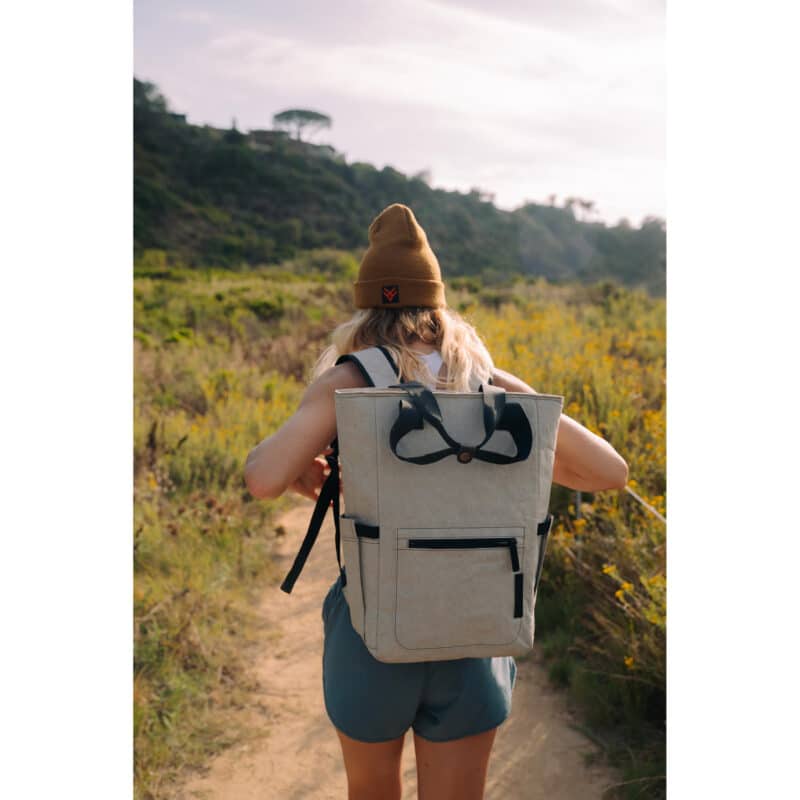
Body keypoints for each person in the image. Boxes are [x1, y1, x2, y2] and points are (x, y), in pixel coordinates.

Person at [244, 203, 628, 800]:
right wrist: (515, 394)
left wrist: (308, 465)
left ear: (367, 309)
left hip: (374, 629)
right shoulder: (488, 385)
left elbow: (264, 478)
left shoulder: (349, 380)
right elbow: (609, 471)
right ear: (439, 307)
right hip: (476, 629)